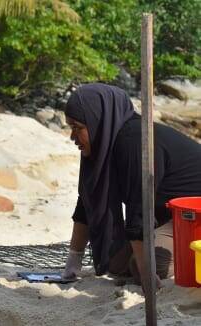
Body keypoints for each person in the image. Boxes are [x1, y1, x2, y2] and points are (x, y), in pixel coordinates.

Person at [61, 83, 201, 287]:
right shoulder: (104, 141)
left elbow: (139, 210)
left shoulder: (135, 140)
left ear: (98, 121)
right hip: (165, 214)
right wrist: (72, 265)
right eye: (70, 127)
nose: (72, 137)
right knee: (114, 264)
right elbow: (86, 203)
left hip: (192, 215)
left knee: (148, 266)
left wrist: (146, 277)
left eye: (78, 128)